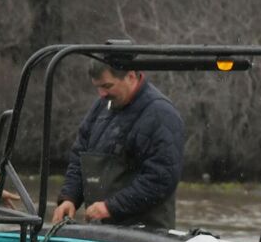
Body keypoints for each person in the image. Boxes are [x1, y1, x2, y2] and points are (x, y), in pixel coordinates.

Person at [50, 60, 185, 230]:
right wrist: (69, 198)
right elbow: (80, 157)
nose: (102, 93)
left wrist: (111, 207)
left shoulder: (161, 114)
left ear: (130, 76)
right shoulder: (101, 106)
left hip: (147, 235)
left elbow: (162, 178)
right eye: (97, 87)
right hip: (103, 231)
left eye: (107, 86)